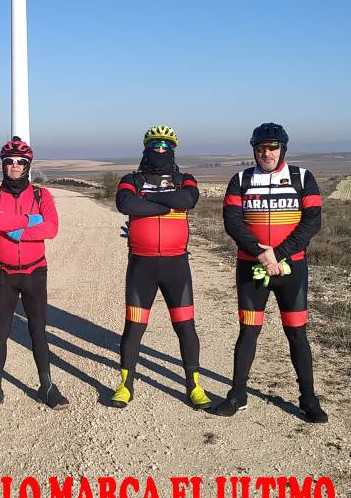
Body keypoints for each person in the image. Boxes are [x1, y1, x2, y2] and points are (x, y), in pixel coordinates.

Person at [217, 123, 327, 422]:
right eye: (261, 148)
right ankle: (237, 395)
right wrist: (261, 253)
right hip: (251, 267)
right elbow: (232, 222)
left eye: (273, 147)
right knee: (248, 331)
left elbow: (312, 222)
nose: (267, 153)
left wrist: (277, 254)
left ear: (283, 149)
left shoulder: (302, 177)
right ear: (254, 150)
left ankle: (308, 399)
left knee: (297, 333)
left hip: (291, 268)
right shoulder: (241, 179)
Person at [111, 126, 210, 410]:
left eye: (166, 146)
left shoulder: (184, 179)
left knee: (185, 327)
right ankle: (125, 385)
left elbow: (187, 199)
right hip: (141, 266)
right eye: (155, 145)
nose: (160, 150)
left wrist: (147, 200)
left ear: (173, 150)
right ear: (146, 149)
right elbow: (124, 203)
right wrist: (165, 205)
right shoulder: (131, 179)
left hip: (176, 266)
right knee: (134, 327)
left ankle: (194, 385)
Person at [0, 136, 68, 410]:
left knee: (38, 330)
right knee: (1, 330)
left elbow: (51, 228)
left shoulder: (42, 195)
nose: (15, 166)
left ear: (28, 165)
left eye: (20, 162)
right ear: (3, 165)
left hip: (35, 272)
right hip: (3, 273)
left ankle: (47, 386)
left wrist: (16, 231)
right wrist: (31, 220)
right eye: (10, 161)